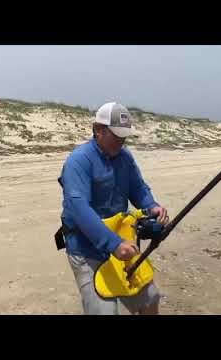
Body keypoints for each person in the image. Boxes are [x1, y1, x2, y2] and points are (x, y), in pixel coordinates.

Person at [58, 101, 169, 315]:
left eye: (124, 136)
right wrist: (113, 244)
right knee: (105, 312)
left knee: (150, 298)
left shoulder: (124, 158)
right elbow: (80, 210)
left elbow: (138, 188)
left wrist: (152, 206)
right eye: (116, 135)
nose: (122, 141)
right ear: (98, 130)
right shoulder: (79, 161)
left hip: (121, 243)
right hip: (88, 249)